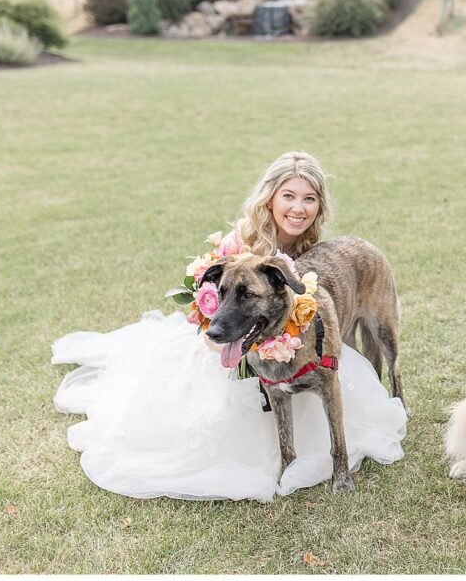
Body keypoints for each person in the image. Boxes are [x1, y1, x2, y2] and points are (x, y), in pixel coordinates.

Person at [52, 151, 407, 501]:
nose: (298, 208)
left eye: (308, 199)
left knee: (378, 345)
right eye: (288, 196)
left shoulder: (307, 244)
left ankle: (394, 385)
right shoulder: (237, 246)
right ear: (269, 199)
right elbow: (215, 316)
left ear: (319, 205)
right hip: (226, 350)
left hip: (293, 337)